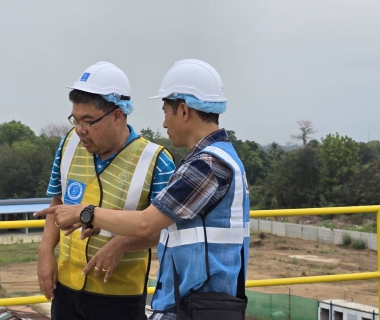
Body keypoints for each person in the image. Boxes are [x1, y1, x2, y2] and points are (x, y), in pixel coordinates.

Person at [35, 59, 250, 319]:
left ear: (183, 110)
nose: (164, 123)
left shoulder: (207, 165)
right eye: (76, 120)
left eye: (166, 112)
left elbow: (148, 224)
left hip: (194, 303)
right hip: (190, 302)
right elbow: (168, 226)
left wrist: (87, 213)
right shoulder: (209, 160)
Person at [37, 61, 176, 320]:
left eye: (89, 121)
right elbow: (58, 202)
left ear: (117, 115)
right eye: (76, 119)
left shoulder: (155, 160)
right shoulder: (68, 145)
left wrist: (122, 243)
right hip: (65, 290)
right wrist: (45, 253)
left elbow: (167, 230)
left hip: (119, 296)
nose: (80, 130)